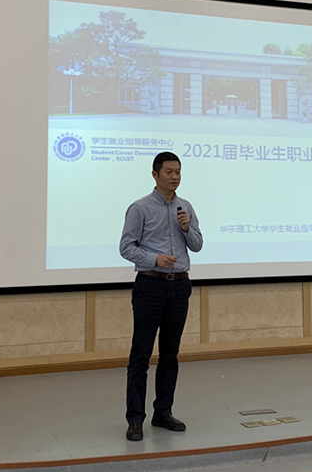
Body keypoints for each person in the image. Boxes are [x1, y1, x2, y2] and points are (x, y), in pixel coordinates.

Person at [119, 151, 203, 442]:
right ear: (155, 175)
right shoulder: (139, 208)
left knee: (170, 354)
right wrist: (155, 259)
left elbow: (198, 245)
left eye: (178, 171)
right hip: (150, 285)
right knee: (141, 355)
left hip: (179, 286)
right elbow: (126, 247)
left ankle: (163, 412)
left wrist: (187, 228)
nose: (174, 176)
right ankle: (135, 419)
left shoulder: (185, 207)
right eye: (169, 171)